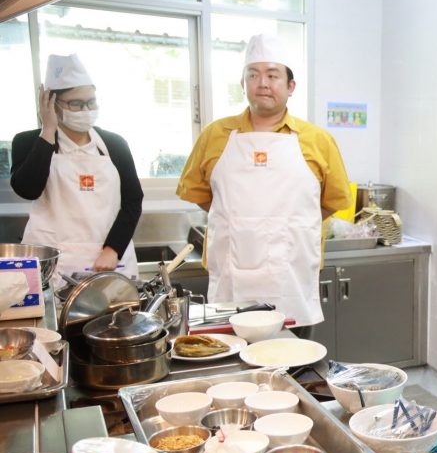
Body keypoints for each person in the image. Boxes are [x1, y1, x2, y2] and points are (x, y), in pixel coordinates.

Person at [176, 34, 351, 332]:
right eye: (253, 75)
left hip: (292, 278)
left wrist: (292, 222)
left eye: (273, 75)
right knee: (232, 356)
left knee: (292, 355)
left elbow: (333, 201)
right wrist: (237, 219)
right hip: (232, 277)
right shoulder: (215, 135)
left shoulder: (318, 140)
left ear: (291, 86)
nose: (263, 83)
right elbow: (198, 193)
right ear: (243, 83)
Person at [11, 53, 142, 280]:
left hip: (110, 261)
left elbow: (133, 200)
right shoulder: (28, 141)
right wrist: (48, 131)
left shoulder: (114, 144)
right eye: (76, 103)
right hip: (54, 262)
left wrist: (113, 249)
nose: (86, 110)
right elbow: (28, 189)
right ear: (52, 103)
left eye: (91, 102)